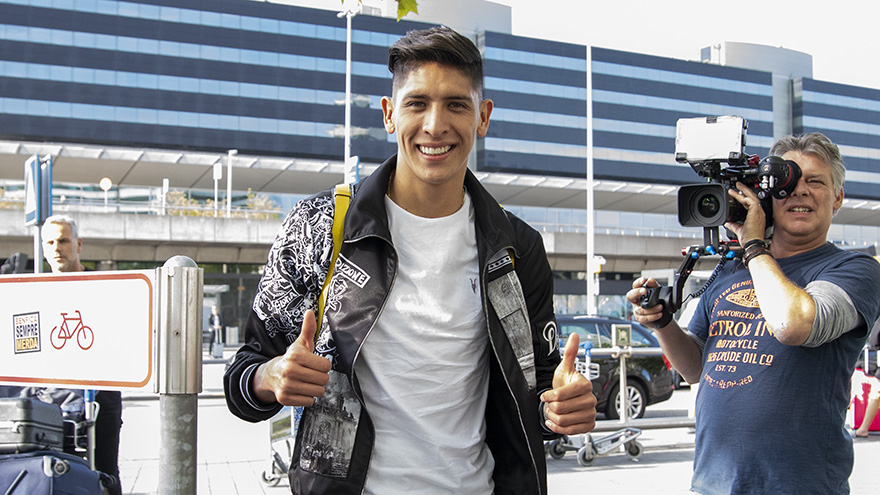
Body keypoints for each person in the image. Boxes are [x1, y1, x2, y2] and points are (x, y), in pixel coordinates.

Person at [224, 26, 596, 495]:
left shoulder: (516, 248)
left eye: (456, 105)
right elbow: (243, 375)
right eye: (417, 103)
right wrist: (271, 377)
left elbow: (538, 390)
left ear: (482, 117)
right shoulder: (319, 227)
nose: (435, 125)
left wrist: (559, 409)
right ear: (389, 114)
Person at [628, 133, 880, 495]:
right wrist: (663, 323)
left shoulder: (853, 268)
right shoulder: (732, 268)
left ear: (838, 197)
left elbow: (793, 324)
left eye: (815, 182)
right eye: (786, 184)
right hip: (713, 484)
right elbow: (695, 368)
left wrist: (754, 246)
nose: (800, 191)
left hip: (799, 486)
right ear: (768, 196)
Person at [41, 215, 124, 495]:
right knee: (58, 473)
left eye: (63, 240)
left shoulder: (102, 285)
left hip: (101, 395)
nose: (57, 248)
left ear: (78, 245)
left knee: (106, 473)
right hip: (52, 398)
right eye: (50, 242)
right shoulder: (37, 292)